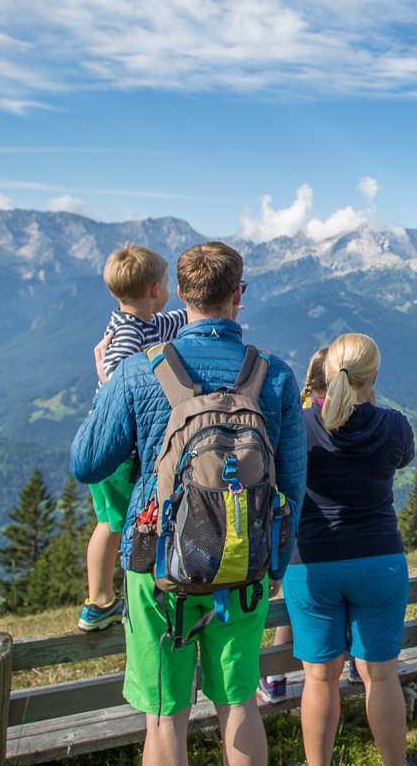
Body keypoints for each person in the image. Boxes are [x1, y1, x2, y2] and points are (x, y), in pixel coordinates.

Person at [72, 242, 303, 766]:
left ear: (180, 294)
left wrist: (106, 386)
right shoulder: (277, 375)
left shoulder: (138, 369)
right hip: (244, 564)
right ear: (238, 296)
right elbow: (293, 483)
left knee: (164, 716)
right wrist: (276, 567)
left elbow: (85, 463)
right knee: (239, 703)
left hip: (158, 567)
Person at [287, 333, 417, 766]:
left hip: (312, 567)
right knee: (382, 676)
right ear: (374, 376)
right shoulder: (394, 425)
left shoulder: (299, 427)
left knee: (319, 679)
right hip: (379, 562)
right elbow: (402, 458)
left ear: (325, 374)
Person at [77, 244, 190, 632]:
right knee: (125, 523)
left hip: (116, 450)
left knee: (111, 521)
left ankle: (101, 599)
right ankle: (102, 599)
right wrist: (106, 375)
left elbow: (178, 321)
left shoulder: (144, 322)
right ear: (156, 288)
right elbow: (118, 387)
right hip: (117, 452)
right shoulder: (126, 335)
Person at [259, 346, 330, 703]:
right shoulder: (347, 421)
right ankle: (354, 666)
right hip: (343, 542)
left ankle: (274, 679)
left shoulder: (301, 423)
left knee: (291, 607)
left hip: (304, 541)